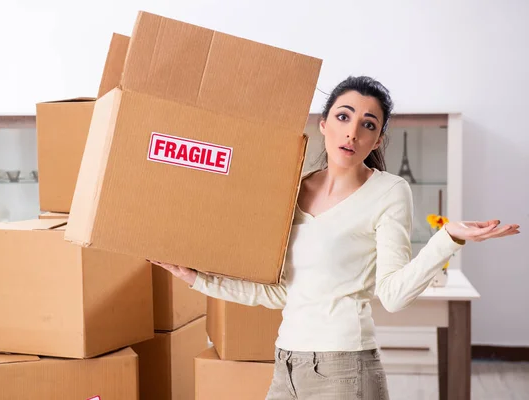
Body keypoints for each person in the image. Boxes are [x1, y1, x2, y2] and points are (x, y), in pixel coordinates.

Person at [149, 76, 520, 399]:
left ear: (377, 141)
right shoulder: (292, 191)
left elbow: (392, 295)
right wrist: (195, 278)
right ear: (323, 125)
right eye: (343, 117)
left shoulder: (389, 191)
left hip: (345, 369)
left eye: (368, 125)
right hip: (287, 364)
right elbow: (279, 291)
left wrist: (448, 238)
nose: (352, 132)